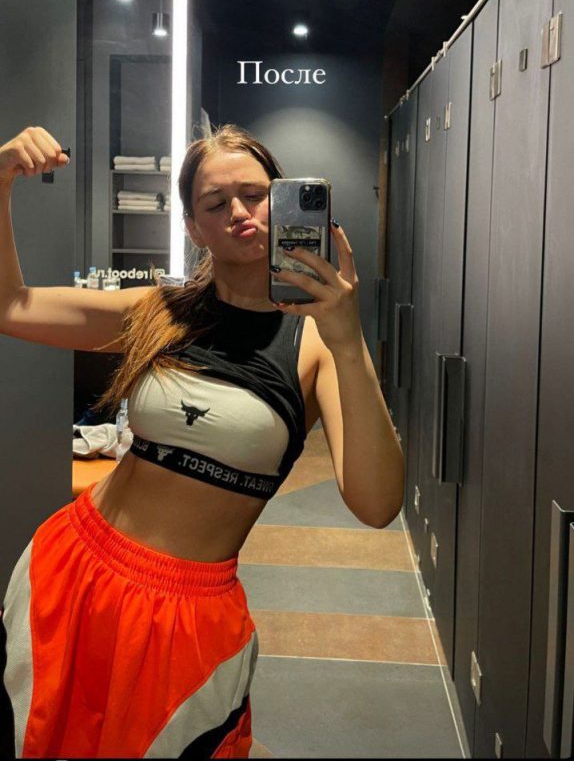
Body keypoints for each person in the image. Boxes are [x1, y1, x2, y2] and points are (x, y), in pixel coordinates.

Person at [0, 123, 405, 759]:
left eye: (256, 195)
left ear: (285, 202)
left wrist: (349, 338)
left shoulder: (320, 345)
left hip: (190, 615)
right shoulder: (157, 312)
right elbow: (10, 306)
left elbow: (377, 505)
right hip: (74, 567)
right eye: (216, 203)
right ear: (193, 227)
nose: (239, 212)